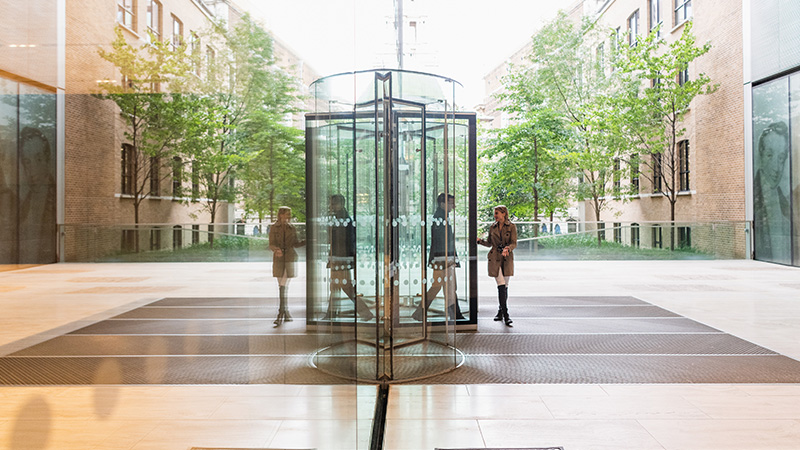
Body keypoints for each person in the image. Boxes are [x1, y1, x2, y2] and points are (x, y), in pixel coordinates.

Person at [411, 193, 465, 322]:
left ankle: (422, 312)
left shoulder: (441, 216)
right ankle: (453, 313)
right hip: (443, 258)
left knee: (441, 286)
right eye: (451, 203)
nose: (454, 206)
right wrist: (449, 257)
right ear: (442, 203)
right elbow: (443, 240)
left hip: (441, 257)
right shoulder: (440, 217)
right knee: (447, 286)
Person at [326, 194, 374, 321]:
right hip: (339, 257)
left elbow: (341, 241)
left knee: (345, 287)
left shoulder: (342, 218)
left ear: (340, 204)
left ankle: (365, 313)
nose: (331, 206)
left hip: (340, 258)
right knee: (336, 286)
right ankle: (331, 313)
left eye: (333, 203)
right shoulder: (340, 217)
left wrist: (339, 258)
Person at [753, 121, 791, 263]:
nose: (776, 167)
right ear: (761, 156)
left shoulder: (785, 201)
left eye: (781, 158)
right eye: (770, 155)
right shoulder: (754, 197)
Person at [477, 205, 517, 327]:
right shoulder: (492, 227)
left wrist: (508, 248)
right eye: (495, 213)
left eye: (497, 213)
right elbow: (489, 243)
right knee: (500, 284)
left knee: (505, 286)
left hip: (506, 258)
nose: (495, 216)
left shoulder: (512, 227)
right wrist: (479, 241)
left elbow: (514, 243)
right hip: (495, 258)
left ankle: (500, 311)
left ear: (504, 214)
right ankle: (506, 315)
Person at [269, 206, 305, 326]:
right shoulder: (274, 228)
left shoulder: (292, 228)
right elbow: (271, 243)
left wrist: (306, 241)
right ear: (281, 214)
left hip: (289, 257)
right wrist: (276, 250)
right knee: (282, 285)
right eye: (287, 214)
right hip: (279, 258)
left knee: (283, 285)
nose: (289, 216)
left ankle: (282, 313)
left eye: (289, 214)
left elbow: (295, 243)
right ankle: (284, 312)